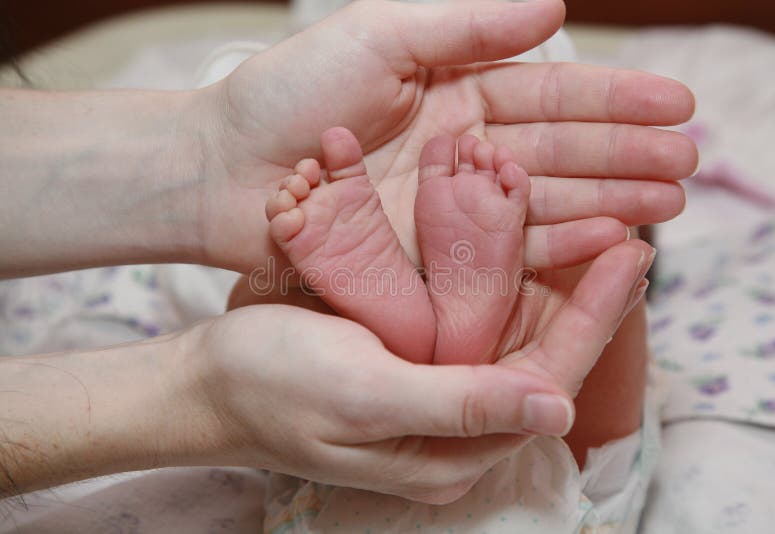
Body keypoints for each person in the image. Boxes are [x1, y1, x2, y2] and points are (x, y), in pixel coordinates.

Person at [0, 0, 696, 508]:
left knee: (270, 306)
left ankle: (408, 317)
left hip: (314, 487)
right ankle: (491, 323)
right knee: (583, 422)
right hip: (531, 495)